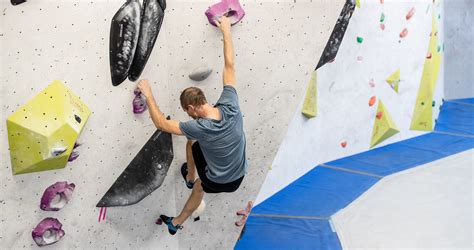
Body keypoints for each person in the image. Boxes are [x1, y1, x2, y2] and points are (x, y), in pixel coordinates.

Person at [137, 16, 247, 235]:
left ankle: (189, 178)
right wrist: (226, 30)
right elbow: (229, 64)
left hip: (218, 180)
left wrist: (148, 94)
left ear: (191, 108)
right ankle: (176, 221)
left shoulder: (199, 128)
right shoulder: (230, 103)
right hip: (239, 177)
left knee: (191, 144)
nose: (187, 115)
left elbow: (161, 124)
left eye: (186, 112)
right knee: (200, 187)